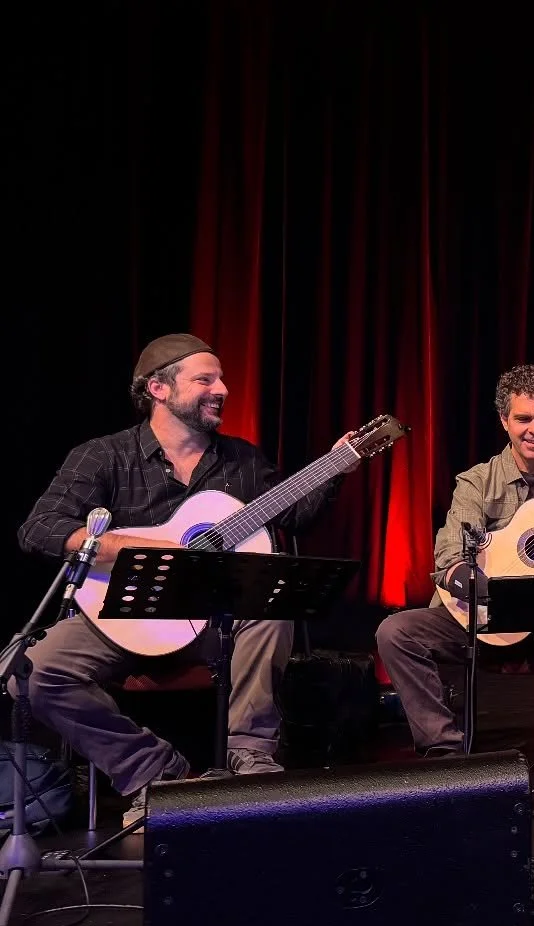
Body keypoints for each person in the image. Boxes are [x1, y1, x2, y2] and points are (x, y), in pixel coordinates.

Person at [13, 333, 356, 826]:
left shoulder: (241, 460)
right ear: (158, 388)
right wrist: (129, 548)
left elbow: (297, 514)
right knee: (32, 671)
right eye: (205, 379)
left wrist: (337, 465)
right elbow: (39, 528)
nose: (223, 388)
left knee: (271, 606)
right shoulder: (104, 456)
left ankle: (251, 760)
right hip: (123, 616)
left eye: (221, 379)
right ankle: (158, 775)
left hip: (215, 621)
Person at [375, 364, 534, 803]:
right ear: (504, 421)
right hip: (488, 621)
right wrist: (475, 583)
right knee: (395, 632)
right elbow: (451, 550)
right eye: (523, 419)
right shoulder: (476, 481)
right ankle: (445, 756)